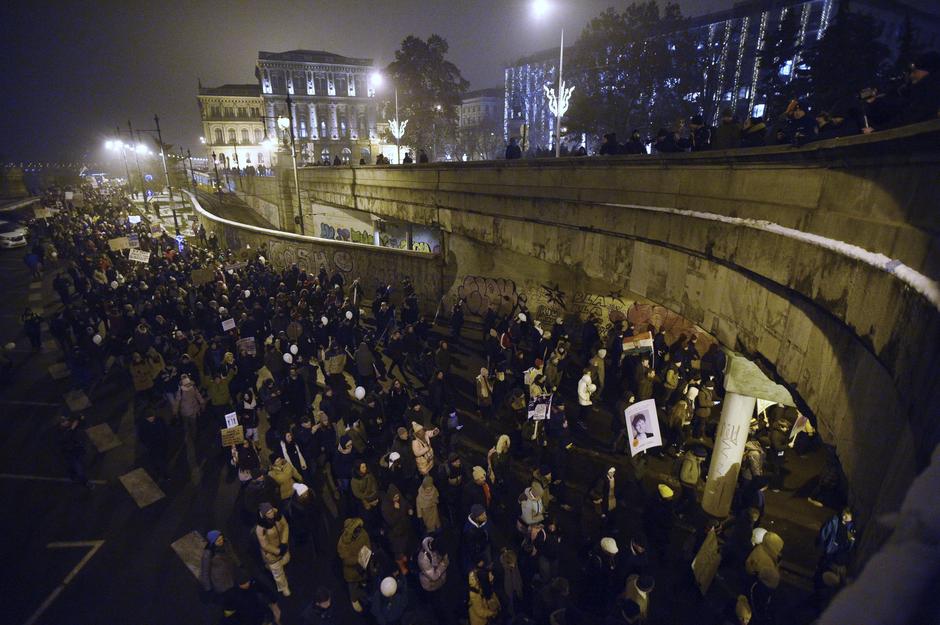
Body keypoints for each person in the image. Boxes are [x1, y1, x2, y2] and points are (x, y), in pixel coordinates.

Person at [814, 507, 856, 589]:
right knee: (823, 565)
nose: (844, 517)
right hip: (831, 548)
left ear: (851, 518)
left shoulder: (850, 528)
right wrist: (821, 543)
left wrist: (849, 546)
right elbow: (824, 533)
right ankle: (818, 582)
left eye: (846, 516)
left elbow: (851, 541)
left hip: (840, 551)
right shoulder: (834, 521)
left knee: (831, 567)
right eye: (843, 515)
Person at [255, 502, 291, 597]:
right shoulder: (261, 528)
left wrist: (284, 542)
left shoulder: (278, 515)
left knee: (285, 562)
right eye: (268, 513)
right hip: (272, 554)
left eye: (271, 511)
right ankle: (284, 587)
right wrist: (278, 551)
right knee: (278, 573)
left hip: (282, 546)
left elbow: (285, 526)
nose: (271, 514)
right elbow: (265, 544)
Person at [200, 530, 241, 597]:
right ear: (213, 543)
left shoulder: (226, 542)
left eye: (221, 538)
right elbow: (205, 572)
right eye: (218, 541)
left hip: (230, 573)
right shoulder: (208, 554)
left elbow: (231, 553)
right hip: (221, 581)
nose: (221, 541)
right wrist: (208, 588)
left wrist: (238, 563)